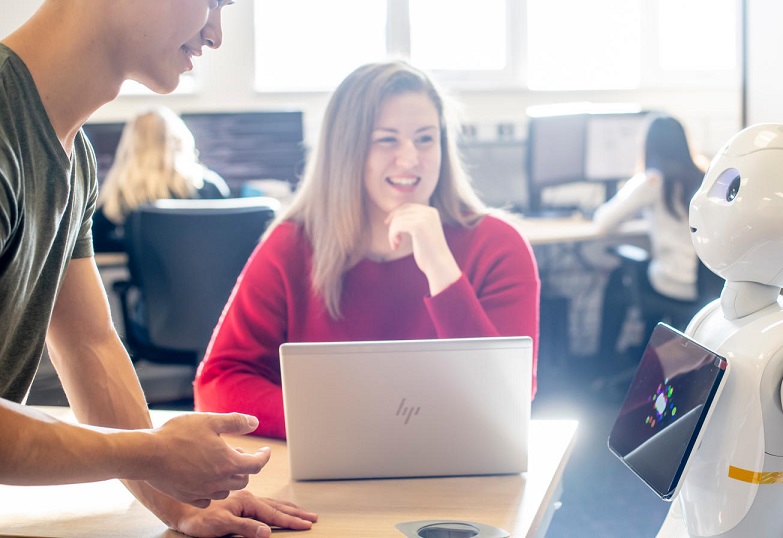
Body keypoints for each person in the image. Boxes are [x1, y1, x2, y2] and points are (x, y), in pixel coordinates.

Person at [0, 2, 316, 537]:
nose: (216, 34)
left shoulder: (72, 157)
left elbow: (89, 343)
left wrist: (180, 503)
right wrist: (149, 451)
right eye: (212, 1)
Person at [194, 60, 541, 439]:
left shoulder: (498, 246)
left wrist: (443, 269)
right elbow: (217, 384)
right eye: (386, 139)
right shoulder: (292, 245)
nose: (410, 159)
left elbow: (508, 399)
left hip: (459, 468)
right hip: (329, 467)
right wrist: (338, 424)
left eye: (426, 138)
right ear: (347, 150)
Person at [593, 114, 720, 362]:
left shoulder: (653, 181)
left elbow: (604, 221)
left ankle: (604, 360)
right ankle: (644, 351)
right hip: (710, 285)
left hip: (674, 282)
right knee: (641, 272)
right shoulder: (706, 177)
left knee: (619, 278)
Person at [93, 106, 231, 253]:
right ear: (180, 140)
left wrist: (132, 243)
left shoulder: (122, 194)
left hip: (145, 276)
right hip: (208, 274)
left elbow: (95, 241)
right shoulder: (209, 186)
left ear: (130, 146)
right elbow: (231, 234)